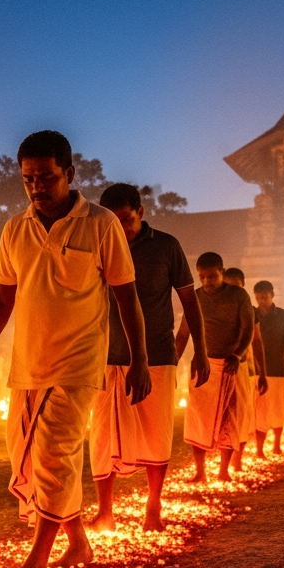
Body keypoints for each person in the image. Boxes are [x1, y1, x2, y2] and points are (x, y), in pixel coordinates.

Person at [0, 130, 148, 568]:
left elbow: (126, 296)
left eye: (47, 177)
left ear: (70, 173)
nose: (37, 187)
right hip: (28, 366)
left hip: (80, 362)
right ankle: (79, 542)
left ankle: (36, 563)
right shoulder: (14, 229)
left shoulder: (101, 223)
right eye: (28, 179)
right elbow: (1, 299)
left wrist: (140, 360)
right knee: (25, 458)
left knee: (53, 455)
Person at [87, 183, 209, 532]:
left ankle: (153, 506)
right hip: (106, 355)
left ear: (140, 212)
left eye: (125, 220)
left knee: (157, 433)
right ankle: (104, 511)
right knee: (101, 436)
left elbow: (189, 302)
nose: (119, 229)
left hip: (156, 353)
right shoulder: (99, 245)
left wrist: (199, 351)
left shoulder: (167, 246)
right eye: (112, 220)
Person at [177, 252, 254, 482]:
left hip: (231, 365)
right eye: (202, 277)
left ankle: (223, 471)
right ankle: (200, 472)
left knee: (229, 419)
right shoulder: (195, 298)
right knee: (197, 419)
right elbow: (182, 334)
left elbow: (248, 328)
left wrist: (236, 354)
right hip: (203, 366)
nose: (207, 282)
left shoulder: (239, 296)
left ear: (222, 272)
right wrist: (173, 362)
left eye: (212, 276)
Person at [223, 268, 267, 470]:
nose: (231, 290)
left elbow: (257, 342)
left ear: (242, 286)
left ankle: (237, 460)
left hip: (245, 369)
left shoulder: (251, 310)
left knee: (241, 417)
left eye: (236, 286)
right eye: (228, 285)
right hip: (219, 366)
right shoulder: (216, 305)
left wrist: (262, 373)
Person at [252, 281, 284, 453]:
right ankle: (259, 449)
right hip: (255, 370)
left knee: (277, 408)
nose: (261, 301)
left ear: (272, 295)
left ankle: (277, 444)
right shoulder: (251, 313)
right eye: (258, 297)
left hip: (278, 370)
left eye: (265, 297)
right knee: (259, 411)